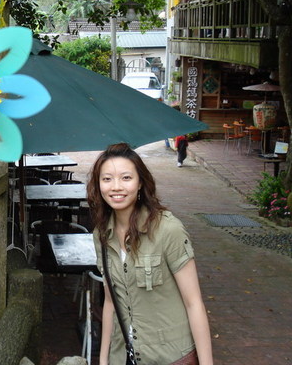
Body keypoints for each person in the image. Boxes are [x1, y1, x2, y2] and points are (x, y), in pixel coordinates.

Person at [87, 143, 213, 365]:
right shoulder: (102, 235)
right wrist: (104, 359)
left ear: (140, 183)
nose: (116, 187)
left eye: (126, 178)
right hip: (124, 355)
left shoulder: (167, 230)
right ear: (98, 186)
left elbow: (194, 303)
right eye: (107, 179)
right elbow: (109, 303)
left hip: (170, 356)